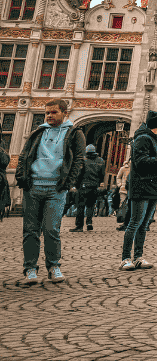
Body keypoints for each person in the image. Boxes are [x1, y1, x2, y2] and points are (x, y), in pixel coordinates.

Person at [15, 99, 86, 285]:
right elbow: (24, 155)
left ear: (64, 113)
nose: (49, 116)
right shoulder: (38, 132)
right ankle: (30, 269)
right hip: (33, 187)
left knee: (51, 229)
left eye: (54, 112)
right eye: (47, 112)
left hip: (56, 189)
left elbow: (79, 160)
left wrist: (67, 183)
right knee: (30, 231)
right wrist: (22, 178)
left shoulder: (74, 133)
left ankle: (54, 266)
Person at [120, 111, 157, 271]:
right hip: (141, 185)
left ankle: (138, 257)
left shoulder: (154, 138)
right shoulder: (143, 138)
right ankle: (125, 258)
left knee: (144, 224)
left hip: (153, 185)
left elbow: (153, 162)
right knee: (134, 223)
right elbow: (140, 162)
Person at [70, 144, 106, 232]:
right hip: (94, 187)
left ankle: (79, 226)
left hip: (83, 186)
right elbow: (102, 175)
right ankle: (89, 223)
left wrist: (75, 185)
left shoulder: (84, 160)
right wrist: (98, 183)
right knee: (91, 205)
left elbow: (79, 174)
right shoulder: (101, 161)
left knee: (80, 206)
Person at [115, 159, 130, 230]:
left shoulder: (136, 167)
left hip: (132, 190)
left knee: (130, 205)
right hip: (123, 189)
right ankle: (122, 219)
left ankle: (127, 220)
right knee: (123, 204)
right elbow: (118, 177)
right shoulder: (123, 168)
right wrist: (120, 184)